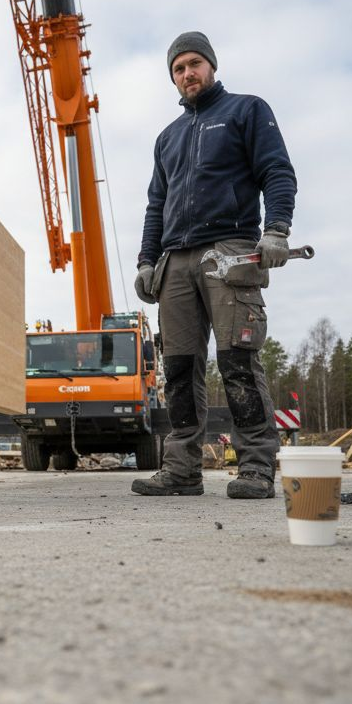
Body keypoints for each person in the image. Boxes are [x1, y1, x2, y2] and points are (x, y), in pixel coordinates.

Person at [131, 31, 297, 499]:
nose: (188, 74)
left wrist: (277, 229)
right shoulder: (168, 137)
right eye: (179, 68)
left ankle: (256, 468)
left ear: (211, 66)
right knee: (180, 369)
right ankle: (182, 469)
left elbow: (276, 172)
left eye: (194, 64)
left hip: (229, 252)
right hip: (175, 262)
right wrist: (147, 262)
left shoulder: (246, 110)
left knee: (237, 360)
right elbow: (154, 205)